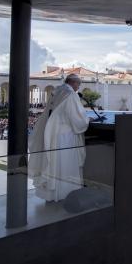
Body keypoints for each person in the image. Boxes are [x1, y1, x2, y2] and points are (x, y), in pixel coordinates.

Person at [28, 74, 90, 202]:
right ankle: (65, 193)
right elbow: (77, 118)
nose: (78, 88)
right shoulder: (70, 94)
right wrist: (87, 119)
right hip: (65, 136)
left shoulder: (58, 91)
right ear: (73, 83)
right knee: (65, 163)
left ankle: (52, 194)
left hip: (53, 134)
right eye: (78, 85)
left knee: (55, 164)